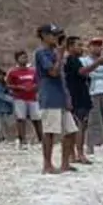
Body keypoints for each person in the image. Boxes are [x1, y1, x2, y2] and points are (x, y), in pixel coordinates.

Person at [33, 25, 78, 173]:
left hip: (60, 96)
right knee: (49, 132)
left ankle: (65, 163)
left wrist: (67, 96)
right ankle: (47, 165)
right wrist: (59, 55)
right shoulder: (41, 53)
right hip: (49, 96)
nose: (56, 38)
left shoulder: (53, 52)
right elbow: (53, 72)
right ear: (44, 36)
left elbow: (61, 76)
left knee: (71, 131)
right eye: (53, 35)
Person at [63, 35, 97, 164]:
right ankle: (79, 154)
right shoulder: (72, 60)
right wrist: (97, 63)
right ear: (70, 47)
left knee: (75, 126)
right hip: (77, 96)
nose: (81, 48)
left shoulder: (73, 60)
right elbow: (82, 72)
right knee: (80, 125)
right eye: (78, 45)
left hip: (78, 95)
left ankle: (73, 154)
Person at [7, 50, 42, 147]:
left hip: (32, 98)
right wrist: (19, 88)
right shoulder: (12, 71)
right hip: (19, 98)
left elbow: (38, 81)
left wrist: (35, 87)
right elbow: (8, 85)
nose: (25, 59)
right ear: (17, 59)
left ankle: (41, 139)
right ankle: (23, 139)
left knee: (37, 118)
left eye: (26, 57)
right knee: (21, 118)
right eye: (22, 57)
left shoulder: (33, 70)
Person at [0, 68, 15, 142]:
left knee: (5, 123)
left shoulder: (3, 83)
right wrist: (8, 98)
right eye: (0, 75)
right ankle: (0, 138)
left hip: (5, 107)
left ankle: (4, 137)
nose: (1, 76)